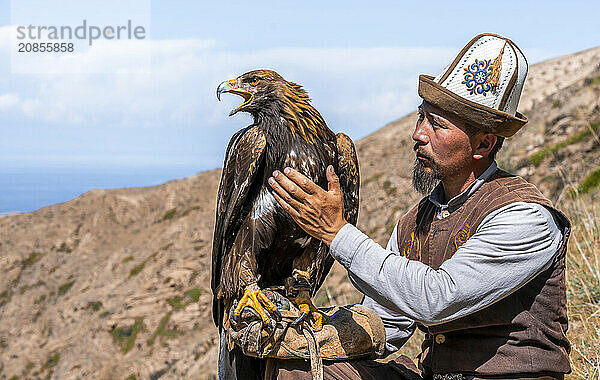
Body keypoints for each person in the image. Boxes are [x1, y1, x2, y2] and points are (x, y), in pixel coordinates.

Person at [266, 33, 571, 380]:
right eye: (421, 117)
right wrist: (306, 331)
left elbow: (437, 300)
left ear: (484, 143)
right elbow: (388, 322)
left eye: (437, 125)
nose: (418, 134)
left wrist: (337, 234)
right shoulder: (414, 223)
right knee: (293, 370)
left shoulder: (525, 217)